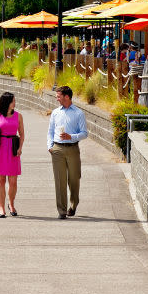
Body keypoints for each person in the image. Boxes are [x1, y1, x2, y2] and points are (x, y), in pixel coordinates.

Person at [47, 86, 86, 218]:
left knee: (74, 179)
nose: (57, 98)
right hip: (57, 149)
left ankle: (73, 205)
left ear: (67, 97)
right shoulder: (55, 112)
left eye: (59, 96)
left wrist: (72, 137)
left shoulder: (79, 113)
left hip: (73, 148)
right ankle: (62, 211)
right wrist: (50, 146)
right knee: (60, 181)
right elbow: (50, 131)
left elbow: (84, 133)